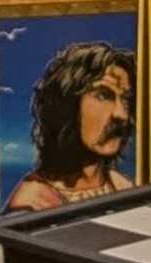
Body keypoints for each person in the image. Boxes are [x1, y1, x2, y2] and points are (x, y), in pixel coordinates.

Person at [9, 46, 136, 212]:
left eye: (126, 100)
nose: (121, 115)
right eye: (102, 96)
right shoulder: (32, 203)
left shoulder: (122, 186)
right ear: (66, 106)